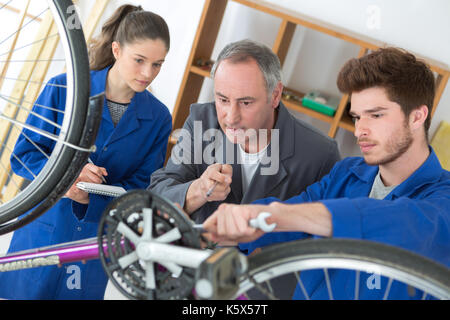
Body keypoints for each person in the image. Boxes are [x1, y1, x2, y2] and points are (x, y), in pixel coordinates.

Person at [202, 47, 450, 299]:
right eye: (356, 117)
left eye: (376, 115)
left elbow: (401, 223)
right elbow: (292, 214)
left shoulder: (443, 200)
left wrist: (276, 215)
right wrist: (230, 225)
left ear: (417, 116)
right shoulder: (346, 173)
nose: (360, 130)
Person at [0, 5, 172, 299]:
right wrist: (64, 179)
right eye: (140, 60)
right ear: (117, 50)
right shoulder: (63, 89)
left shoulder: (159, 118)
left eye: (157, 64)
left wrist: (91, 195)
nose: (148, 73)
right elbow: (23, 156)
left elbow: (142, 189)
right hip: (43, 229)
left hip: (94, 242)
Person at [149, 39, 340, 223]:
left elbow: (329, 231)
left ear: (275, 96)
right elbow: (156, 195)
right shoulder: (202, 122)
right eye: (223, 100)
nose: (231, 117)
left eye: (246, 103)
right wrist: (198, 190)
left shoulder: (320, 154)